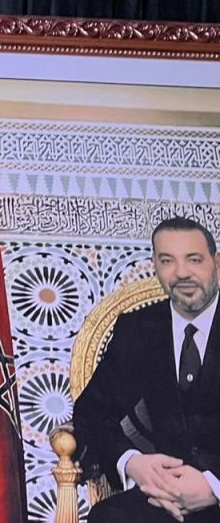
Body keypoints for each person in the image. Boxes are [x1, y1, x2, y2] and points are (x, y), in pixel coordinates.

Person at [74, 216, 220, 523]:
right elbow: (92, 413)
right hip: (160, 497)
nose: (181, 272)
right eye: (167, 261)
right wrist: (134, 463)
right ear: (155, 265)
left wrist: (213, 486)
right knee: (107, 518)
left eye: (194, 259)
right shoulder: (138, 330)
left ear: (216, 264)